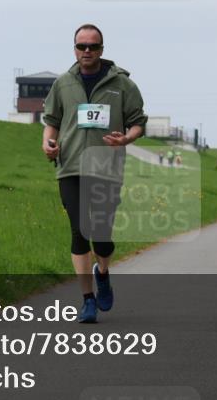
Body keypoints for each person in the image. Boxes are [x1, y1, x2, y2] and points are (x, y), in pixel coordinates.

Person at [42, 24, 147, 324]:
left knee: (101, 238)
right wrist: (47, 143)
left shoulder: (122, 85)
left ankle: (103, 272)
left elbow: (138, 122)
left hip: (106, 168)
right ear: (74, 48)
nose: (87, 52)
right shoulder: (63, 83)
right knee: (79, 232)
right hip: (70, 167)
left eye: (93, 46)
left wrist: (127, 138)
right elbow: (51, 121)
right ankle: (87, 300)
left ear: (102, 49)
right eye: (81, 46)